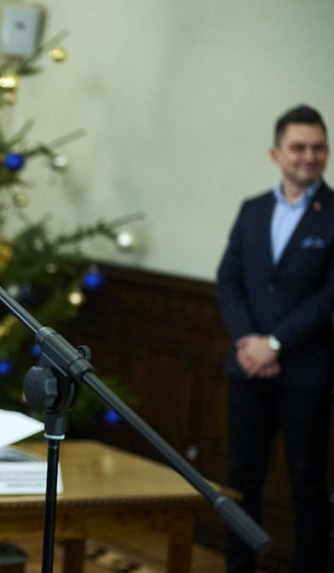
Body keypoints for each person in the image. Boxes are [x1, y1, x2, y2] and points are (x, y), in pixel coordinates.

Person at [216, 104, 334, 573]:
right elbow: (229, 280)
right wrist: (250, 341)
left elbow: (328, 297)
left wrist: (276, 344)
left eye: (318, 147)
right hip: (248, 368)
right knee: (241, 480)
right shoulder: (253, 209)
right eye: (298, 147)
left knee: (308, 486)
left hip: (306, 373)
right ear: (276, 153)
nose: (309, 156)